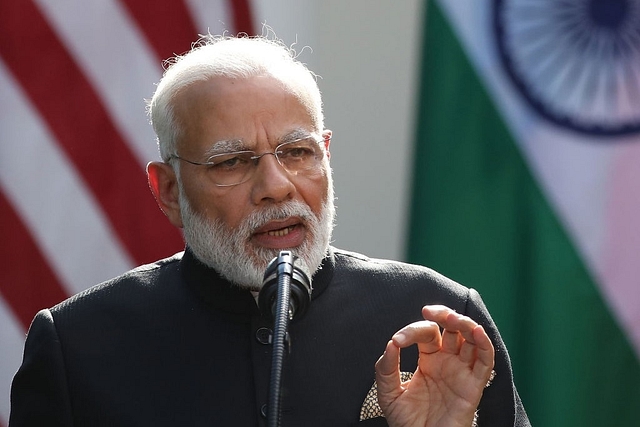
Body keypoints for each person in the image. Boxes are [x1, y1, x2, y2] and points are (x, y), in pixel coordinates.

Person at [9, 34, 530, 427]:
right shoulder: (77, 347)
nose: (276, 187)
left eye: (297, 152)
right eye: (232, 161)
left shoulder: (438, 324)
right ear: (168, 190)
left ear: (326, 154)